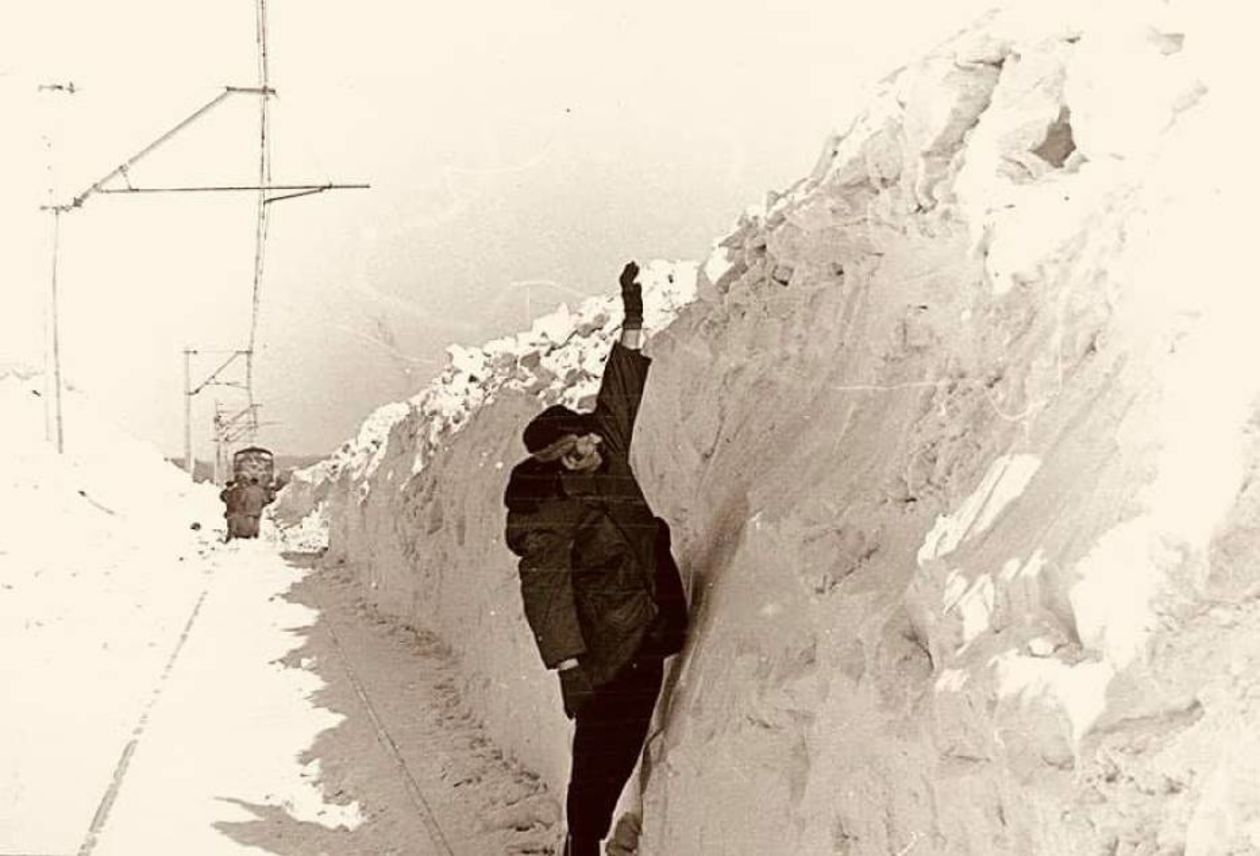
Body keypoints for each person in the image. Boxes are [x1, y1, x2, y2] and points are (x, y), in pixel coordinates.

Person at [504, 261, 689, 856]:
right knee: (599, 757)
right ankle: (582, 844)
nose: (584, 453)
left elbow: (621, 391)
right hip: (608, 650)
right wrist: (569, 665)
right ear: (551, 463)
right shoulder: (549, 511)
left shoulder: (607, 454)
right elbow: (545, 590)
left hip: (648, 627)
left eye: (584, 441)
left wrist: (632, 317)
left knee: (624, 745)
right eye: (568, 453)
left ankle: (594, 835)